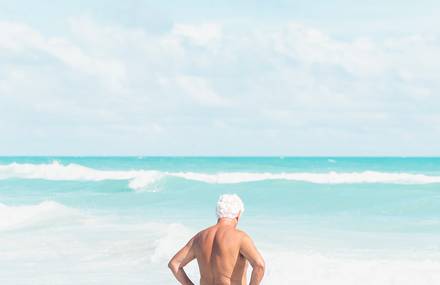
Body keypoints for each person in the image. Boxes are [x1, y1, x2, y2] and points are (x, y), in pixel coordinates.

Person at [168, 194, 265, 285]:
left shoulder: (199, 237)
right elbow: (259, 266)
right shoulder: (240, 237)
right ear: (238, 215)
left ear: (218, 213)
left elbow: (174, 264)